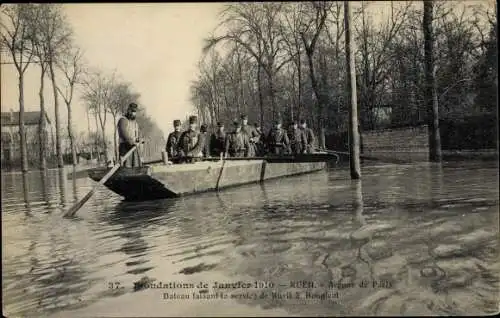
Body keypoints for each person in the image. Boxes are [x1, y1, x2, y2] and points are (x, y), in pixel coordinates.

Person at [117, 103, 143, 167]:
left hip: (134, 148)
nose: (133, 113)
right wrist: (131, 142)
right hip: (125, 147)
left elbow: (138, 133)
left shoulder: (135, 123)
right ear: (128, 110)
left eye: (135, 111)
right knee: (126, 166)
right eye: (132, 111)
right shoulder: (123, 120)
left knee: (136, 166)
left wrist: (139, 139)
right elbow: (123, 132)